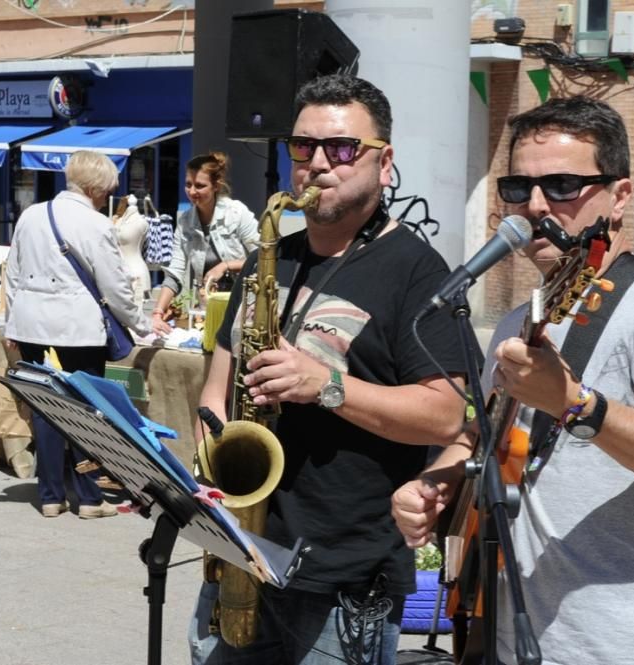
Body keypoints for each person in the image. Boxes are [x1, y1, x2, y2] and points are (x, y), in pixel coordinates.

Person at [391, 96, 634, 665]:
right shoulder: (520, 319)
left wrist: (575, 403)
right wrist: (436, 482)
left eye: (565, 185)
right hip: (502, 628)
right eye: (519, 188)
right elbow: (481, 437)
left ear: (619, 196)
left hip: (616, 644)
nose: (536, 206)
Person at [188, 74, 470, 665]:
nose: (318, 163)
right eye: (302, 146)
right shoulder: (270, 257)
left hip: (342, 580)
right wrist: (210, 473)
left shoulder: (419, 272)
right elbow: (215, 390)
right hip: (241, 552)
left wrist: (327, 385)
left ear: (384, 162)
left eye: (341, 149)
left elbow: (447, 415)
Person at [4, 150, 152, 520]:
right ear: (94, 187)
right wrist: (142, 323)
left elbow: (13, 275)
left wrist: (11, 323)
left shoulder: (31, 215)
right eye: (106, 190)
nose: (108, 197)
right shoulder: (95, 224)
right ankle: (89, 498)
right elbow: (115, 287)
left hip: (31, 326)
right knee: (87, 412)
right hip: (79, 329)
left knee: (46, 408)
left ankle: (51, 496)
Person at [150, 152, 260, 336]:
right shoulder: (185, 222)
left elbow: (263, 257)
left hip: (245, 308)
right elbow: (174, 274)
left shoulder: (237, 213)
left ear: (216, 186)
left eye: (200, 186)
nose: (192, 192)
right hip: (208, 309)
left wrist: (225, 266)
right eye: (188, 184)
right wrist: (158, 312)